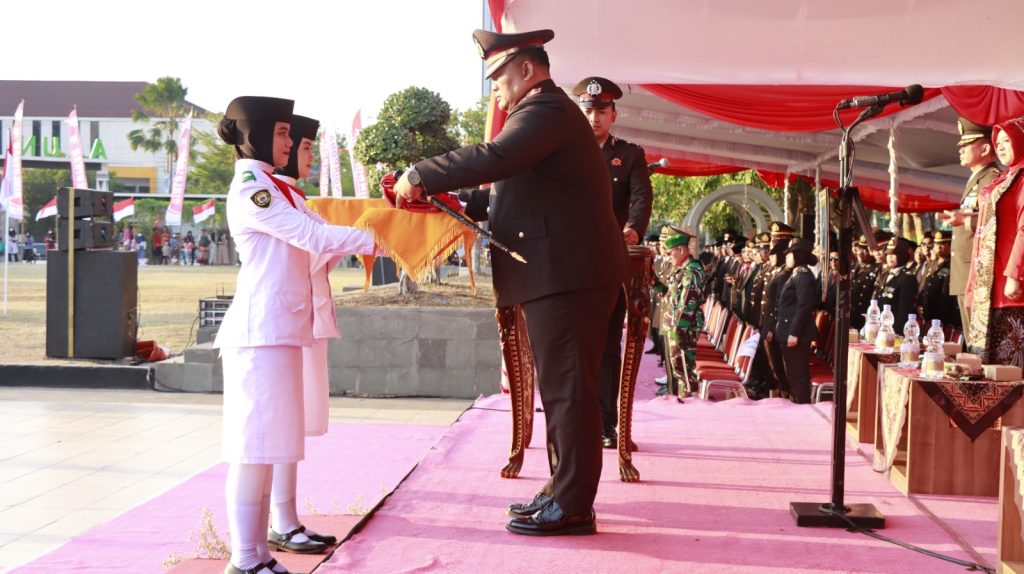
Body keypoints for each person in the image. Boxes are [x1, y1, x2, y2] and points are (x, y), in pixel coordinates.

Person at [393, 28, 629, 537]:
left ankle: (572, 504)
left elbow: (495, 160)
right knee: (564, 388)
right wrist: (461, 203)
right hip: (562, 273)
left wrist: (422, 173)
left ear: (526, 68)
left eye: (498, 76)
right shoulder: (542, 115)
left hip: (568, 276)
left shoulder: (544, 110)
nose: (494, 89)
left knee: (568, 391)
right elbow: (510, 191)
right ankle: (561, 490)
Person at [213, 95, 376, 574]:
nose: (288, 142)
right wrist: (381, 236)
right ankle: (244, 559)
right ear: (256, 134)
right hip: (259, 334)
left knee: (269, 449)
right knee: (253, 450)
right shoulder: (252, 189)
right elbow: (316, 238)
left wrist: (381, 221)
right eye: (282, 133)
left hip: (280, 331)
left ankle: (259, 554)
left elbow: (320, 234)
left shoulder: (277, 189)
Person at [266, 115, 343, 556]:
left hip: (302, 318)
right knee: (282, 425)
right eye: (302, 145)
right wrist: (372, 235)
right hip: (285, 320)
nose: (306, 153)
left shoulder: (293, 195)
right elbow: (313, 243)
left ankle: (287, 519)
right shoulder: (273, 195)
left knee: (293, 423)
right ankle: (281, 522)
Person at [572, 75, 654, 449]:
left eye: (601, 111)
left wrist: (633, 229)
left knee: (607, 345)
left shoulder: (630, 154)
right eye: (588, 111)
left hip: (609, 262)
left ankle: (606, 424)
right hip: (568, 263)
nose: (594, 118)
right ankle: (572, 420)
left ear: (614, 114)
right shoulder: (565, 153)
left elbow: (640, 198)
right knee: (571, 345)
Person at [966, 117, 1024, 365]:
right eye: (997, 142)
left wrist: (1015, 275)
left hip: (1011, 288)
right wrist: (972, 286)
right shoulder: (1003, 178)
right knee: (987, 369)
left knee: (1010, 370)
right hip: (988, 288)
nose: (1000, 147)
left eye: (1006, 141)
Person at [943, 117, 1002, 335]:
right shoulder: (977, 179)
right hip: (966, 269)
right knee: (970, 336)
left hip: (976, 270)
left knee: (978, 339)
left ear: (986, 148)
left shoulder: (992, 178)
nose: (961, 149)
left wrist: (965, 221)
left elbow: (995, 219)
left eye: (967, 145)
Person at [775, 238, 819, 404]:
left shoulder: (803, 276)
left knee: (798, 374)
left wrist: (794, 333)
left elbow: (803, 306)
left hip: (797, 333)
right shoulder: (796, 273)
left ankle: (802, 404)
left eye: (790, 255)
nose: (786, 258)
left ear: (798, 256)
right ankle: (797, 402)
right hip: (788, 330)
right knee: (792, 373)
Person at [664, 230, 707, 396]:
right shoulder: (683, 269)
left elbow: (687, 305)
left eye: (670, 253)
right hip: (679, 328)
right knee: (679, 370)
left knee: (685, 372)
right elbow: (672, 297)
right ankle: (685, 400)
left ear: (681, 250)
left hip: (684, 329)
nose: (668, 257)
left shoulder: (692, 271)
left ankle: (691, 405)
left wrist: (678, 333)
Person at [874, 237, 918, 330]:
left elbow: (904, 310)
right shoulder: (885, 274)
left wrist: (896, 332)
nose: (890, 257)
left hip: (895, 329)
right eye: (888, 254)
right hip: (881, 326)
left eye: (894, 254)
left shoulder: (907, 278)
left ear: (902, 255)